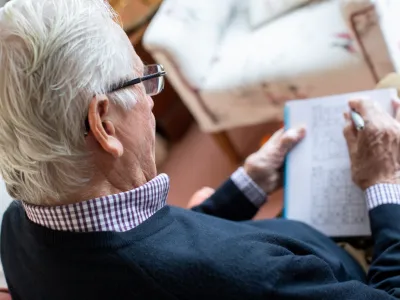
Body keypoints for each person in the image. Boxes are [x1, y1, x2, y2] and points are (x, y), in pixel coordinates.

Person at [0, 0, 400, 299]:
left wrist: (246, 185)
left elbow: (150, 245)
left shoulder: (18, 229)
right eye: (141, 81)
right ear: (104, 125)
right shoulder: (246, 275)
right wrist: (384, 182)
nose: (151, 100)